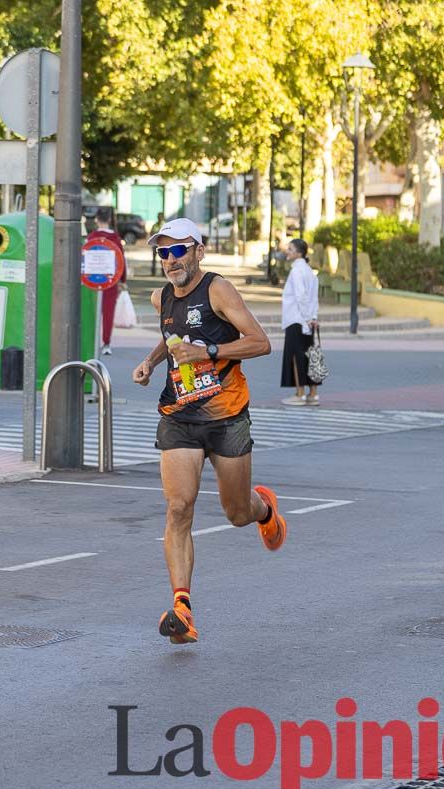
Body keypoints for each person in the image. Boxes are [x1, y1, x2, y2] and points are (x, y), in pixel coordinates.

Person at [132, 217, 288, 645]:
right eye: (163, 252)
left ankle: (264, 509)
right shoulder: (161, 295)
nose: (170, 259)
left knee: (236, 513)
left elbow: (260, 342)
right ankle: (182, 608)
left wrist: (209, 350)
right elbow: (173, 335)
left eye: (179, 249)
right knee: (179, 508)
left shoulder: (218, 289)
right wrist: (151, 361)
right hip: (179, 415)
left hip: (226, 415)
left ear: (199, 251)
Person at [279, 238, 320, 406]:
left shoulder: (297, 271)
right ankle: (313, 394)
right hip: (308, 321)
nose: (287, 251)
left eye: (290, 249)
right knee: (310, 355)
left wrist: (307, 317)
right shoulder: (309, 270)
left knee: (296, 357)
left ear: (299, 253)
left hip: (296, 319)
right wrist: (313, 317)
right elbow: (314, 297)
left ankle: (300, 394)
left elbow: (301, 296)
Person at [88, 208, 126, 355]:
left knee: (92, 311)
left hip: (92, 280)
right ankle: (106, 343)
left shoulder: (92, 237)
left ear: (97, 219)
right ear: (109, 220)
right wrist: (122, 279)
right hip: (111, 279)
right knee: (108, 312)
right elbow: (121, 260)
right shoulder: (115, 238)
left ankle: (92, 341)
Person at [149, 211, 165, 276]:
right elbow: (151, 233)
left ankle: (163, 273)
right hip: (155, 244)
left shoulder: (165, 225)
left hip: (162, 245)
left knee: (163, 258)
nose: (159, 218)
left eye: (160, 217)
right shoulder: (155, 225)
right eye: (158, 217)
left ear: (163, 217)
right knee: (154, 259)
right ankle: (153, 272)